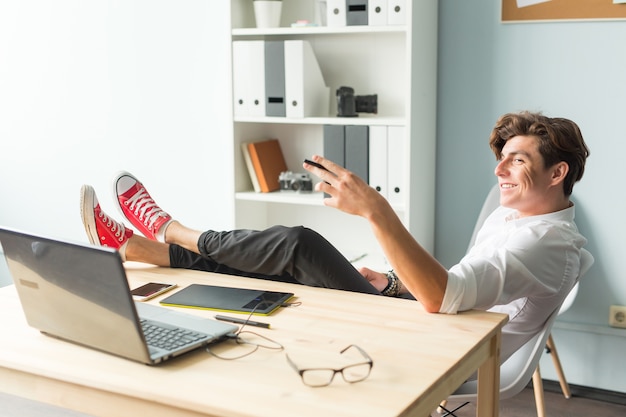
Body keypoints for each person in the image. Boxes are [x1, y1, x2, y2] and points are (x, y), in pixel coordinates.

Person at [80, 111, 590, 364]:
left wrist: (376, 209)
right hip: (434, 323)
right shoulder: (521, 218)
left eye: (517, 159)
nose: (499, 168)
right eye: (500, 157)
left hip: (444, 352)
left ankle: (168, 230)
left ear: (556, 173)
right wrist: (390, 283)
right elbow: (457, 285)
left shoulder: (545, 243)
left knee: (300, 245)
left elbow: (443, 297)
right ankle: (146, 248)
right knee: (279, 265)